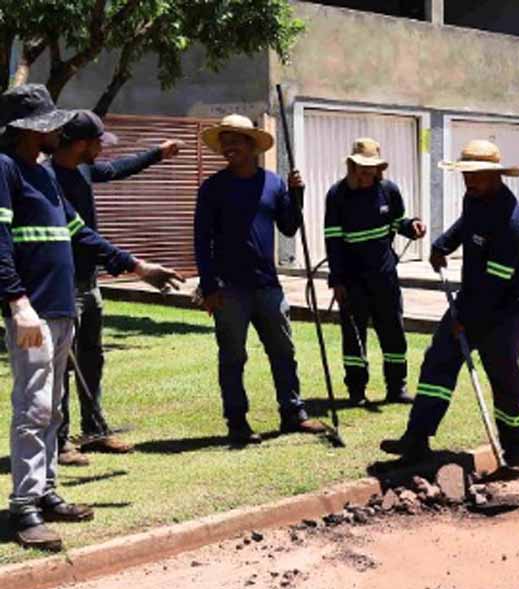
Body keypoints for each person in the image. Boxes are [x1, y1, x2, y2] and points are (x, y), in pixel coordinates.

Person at [0, 85, 183, 550]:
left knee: (54, 406)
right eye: (48, 124)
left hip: (61, 309)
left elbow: (81, 234)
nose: (57, 130)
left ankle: (46, 491)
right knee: (34, 407)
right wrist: (16, 303)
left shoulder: (45, 176)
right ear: (26, 128)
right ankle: (23, 508)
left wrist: (139, 267)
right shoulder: (5, 170)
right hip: (33, 311)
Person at [380, 140, 519, 475]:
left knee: (504, 377)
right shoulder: (474, 198)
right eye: (465, 174)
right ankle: (417, 439)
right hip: (472, 296)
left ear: (494, 176)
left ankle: (514, 454)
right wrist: (442, 245)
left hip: (505, 310)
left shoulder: (512, 224)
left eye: (475, 174)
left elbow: (496, 285)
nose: (468, 180)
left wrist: (466, 320)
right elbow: (466, 225)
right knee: (439, 361)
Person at [49, 110, 183, 465]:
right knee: (62, 363)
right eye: (97, 143)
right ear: (79, 144)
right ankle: (59, 442)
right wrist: (136, 266)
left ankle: (93, 431)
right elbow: (81, 235)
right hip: (63, 284)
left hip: (89, 281)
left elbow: (117, 169)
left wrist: (158, 153)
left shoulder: (82, 169)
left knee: (92, 357)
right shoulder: (46, 179)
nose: (102, 150)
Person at [194, 114, 326, 446]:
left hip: (268, 285)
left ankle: (293, 413)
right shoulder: (212, 188)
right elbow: (201, 240)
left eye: (235, 140)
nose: (228, 147)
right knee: (233, 357)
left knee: (284, 351)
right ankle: (237, 422)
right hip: (229, 289)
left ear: (253, 145)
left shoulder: (273, 184)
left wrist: (298, 194)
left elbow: (289, 227)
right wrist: (209, 286)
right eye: (225, 141)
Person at [324, 138, 426, 406]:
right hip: (352, 280)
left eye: (370, 170)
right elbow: (333, 241)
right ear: (351, 166)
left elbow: (397, 223)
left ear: (379, 170)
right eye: (360, 169)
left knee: (393, 331)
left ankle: (396, 387)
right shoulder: (337, 195)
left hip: (385, 277)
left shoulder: (389, 191)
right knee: (354, 337)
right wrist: (337, 280)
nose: (365, 174)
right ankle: (356, 391)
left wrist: (412, 226)